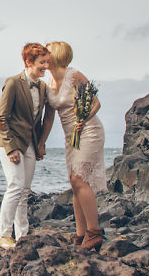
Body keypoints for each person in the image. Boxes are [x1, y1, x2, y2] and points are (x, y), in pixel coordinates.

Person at [45, 41, 107, 252]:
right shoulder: (48, 82)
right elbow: (49, 119)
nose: (45, 55)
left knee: (79, 179)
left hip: (88, 130)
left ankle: (94, 232)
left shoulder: (74, 75)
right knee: (75, 184)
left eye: (48, 51)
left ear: (57, 54)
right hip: (70, 137)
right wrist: (41, 142)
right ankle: (80, 235)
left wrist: (83, 118)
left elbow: (96, 102)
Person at [0, 43, 55, 249]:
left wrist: (40, 144)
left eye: (47, 62)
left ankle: (22, 236)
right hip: (9, 142)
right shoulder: (13, 83)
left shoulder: (43, 87)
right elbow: (2, 118)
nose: (46, 66)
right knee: (15, 185)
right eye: (42, 62)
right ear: (29, 62)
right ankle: (3, 235)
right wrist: (11, 148)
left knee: (25, 191)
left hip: (29, 143)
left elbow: (43, 118)